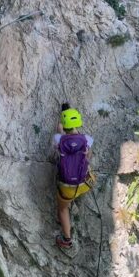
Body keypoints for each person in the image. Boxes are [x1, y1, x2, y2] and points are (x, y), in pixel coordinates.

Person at [53, 103, 95, 249]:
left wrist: (61, 121)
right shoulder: (88, 140)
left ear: (64, 125)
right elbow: (88, 156)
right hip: (85, 183)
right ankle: (72, 202)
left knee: (62, 209)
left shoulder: (59, 139)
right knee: (87, 165)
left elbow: (60, 130)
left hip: (68, 187)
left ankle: (67, 240)